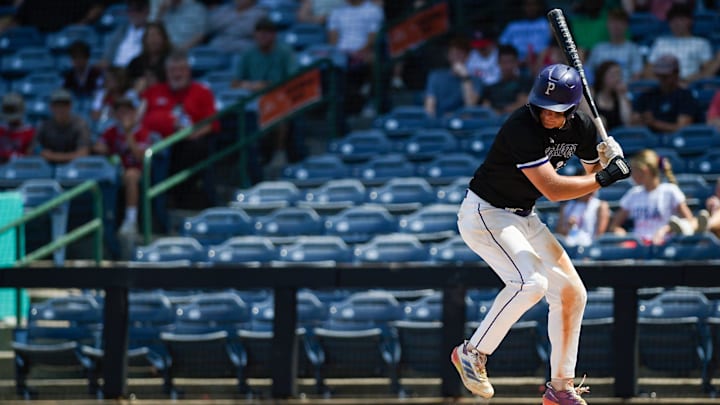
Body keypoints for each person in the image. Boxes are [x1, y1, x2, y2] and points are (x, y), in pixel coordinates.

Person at [451, 63, 631, 404]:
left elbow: (589, 183)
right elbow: (554, 190)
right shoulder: (521, 125)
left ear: (572, 107)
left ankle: (560, 388)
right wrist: (606, 176)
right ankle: (472, 353)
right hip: (486, 212)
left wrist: (606, 159)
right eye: (543, 107)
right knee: (531, 283)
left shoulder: (583, 126)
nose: (547, 115)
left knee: (571, 293)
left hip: (523, 217)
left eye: (556, 110)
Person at [141, 50, 219, 208]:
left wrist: (193, 134)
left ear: (188, 71)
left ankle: (175, 195)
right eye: (172, 70)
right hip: (157, 143)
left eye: (181, 70)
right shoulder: (153, 92)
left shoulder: (202, 91)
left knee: (196, 147)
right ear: (166, 72)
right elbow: (141, 119)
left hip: (188, 144)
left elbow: (213, 124)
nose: (177, 74)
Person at [232, 17, 300, 177]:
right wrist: (251, 86)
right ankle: (247, 161)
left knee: (280, 111)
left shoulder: (285, 52)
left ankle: (279, 152)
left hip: (281, 99)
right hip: (252, 100)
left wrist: (266, 86)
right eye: (260, 33)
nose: (263, 37)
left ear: (274, 35)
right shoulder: (248, 54)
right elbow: (235, 82)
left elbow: (293, 79)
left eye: (267, 33)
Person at [607, 149, 700, 245]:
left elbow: (690, 220)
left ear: (644, 171)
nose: (632, 176)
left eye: (634, 171)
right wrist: (620, 234)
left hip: (665, 243)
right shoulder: (633, 194)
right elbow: (614, 225)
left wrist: (666, 229)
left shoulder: (670, 191)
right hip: (639, 246)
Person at [93, 97, 151, 235]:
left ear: (134, 113)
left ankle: (131, 221)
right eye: (120, 112)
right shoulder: (112, 130)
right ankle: (102, 223)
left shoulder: (142, 131)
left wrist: (128, 132)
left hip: (138, 170)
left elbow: (139, 156)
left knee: (131, 175)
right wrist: (105, 149)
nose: (123, 115)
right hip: (116, 171)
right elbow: (98, 147)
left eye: (127, 111)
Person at [327, 0, 384, 115]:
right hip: (342, 53)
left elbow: (372, 37)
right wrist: (342, 53)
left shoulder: (373, 10)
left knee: (374, 59)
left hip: (364, 51)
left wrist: (359, 52)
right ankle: (334, 106)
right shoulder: (337, 11)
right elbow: (333, 39)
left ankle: (371, 100)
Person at [631, 54, 701, 133]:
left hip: (676, 143)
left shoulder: (686, 96)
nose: (662, 79)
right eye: (660, 76)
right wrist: (641, 119)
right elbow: (633, 122)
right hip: (649, 142)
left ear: (676, 74)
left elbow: (682, 128)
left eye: (666, 76)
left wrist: (653, 123)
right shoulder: (647, 95)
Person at [643, 4, 714, 83]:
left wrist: (687, 81)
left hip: (689, 84)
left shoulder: (701, 43)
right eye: (673, 20)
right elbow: (648, 71)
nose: (676, 23)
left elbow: (708, 70)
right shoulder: (660, 43)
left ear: (690, 21)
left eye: (680, 19)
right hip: (663, 86)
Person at [423, 36, 483, 118]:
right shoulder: (435, 76)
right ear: (448, 55)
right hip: (440, 123)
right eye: (454, 53)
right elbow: (429, 108)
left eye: (460, 53)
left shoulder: (476, 80)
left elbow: (470, 107)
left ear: (467, 57)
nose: (457, 56)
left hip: (464, 124)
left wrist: (465, 78)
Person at [584, 8, 643, 83]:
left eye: (620, 21)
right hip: (599, 92)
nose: (616, 25)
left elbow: (637, 76)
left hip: (624, 90)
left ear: (626, 25)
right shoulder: (598, 48)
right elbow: (588, 74)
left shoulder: (633, 49)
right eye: (613, 21)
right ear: (607, 24)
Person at [35, 89, 91, 164]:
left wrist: (52, 156)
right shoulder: (44, 126)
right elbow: (35, 149)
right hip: (48, 168)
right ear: (51, 107)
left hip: (74, 168)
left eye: (64, 105)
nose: (60, 108)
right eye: (57, 105)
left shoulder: (80, 125)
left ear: (70, 106)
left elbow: (83, 153)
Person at [480, 44, 533, 116]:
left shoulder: (525, 81)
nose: (507, 66)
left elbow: (522, 104)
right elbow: (485, 107)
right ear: (498, 63)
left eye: (510, 62)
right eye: (504, 62)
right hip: (492, 121)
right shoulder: (490, 85)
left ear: (516, 62)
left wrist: (500, 112)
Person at [498, 0, 551, 67]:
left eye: (533, 4)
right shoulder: (513, 25)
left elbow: (551, 47)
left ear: (539, 6)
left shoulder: (546, 24)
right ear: (523, 6)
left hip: (540, 62)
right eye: (528, 5)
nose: (531, 8)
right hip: (516, 63)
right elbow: (502, 44)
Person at [101, 0, 151, 68]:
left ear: (147, 11)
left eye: (138, 9)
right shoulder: (120, 31)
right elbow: (107, 58)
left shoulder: (151, 31)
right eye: (131, 10)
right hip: (116, 72)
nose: (134, 13)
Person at [126, 21, 172, 93]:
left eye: (157, 35)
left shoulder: (172, 62)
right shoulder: (135, 63)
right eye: (150, 36)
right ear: (144, 39)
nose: (154, 40)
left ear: (164, 39)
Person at [593, 60, 632, 130]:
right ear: (602, 76)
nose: (617, 78)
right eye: (613, 75)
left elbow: (627, 121)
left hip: (619, 135)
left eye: (619, 75)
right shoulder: (593, 95)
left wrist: (621, 95)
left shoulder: (621, 96)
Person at [0, 93, 35, 163]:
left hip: (20, 167)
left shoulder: (30, 132)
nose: (11, 120)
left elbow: (29, 157)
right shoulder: (1, 129)